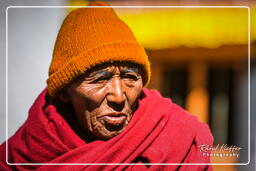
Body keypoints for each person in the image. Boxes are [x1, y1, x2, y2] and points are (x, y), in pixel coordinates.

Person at [0, 1, 213, 170]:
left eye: (130, 77)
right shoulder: (24, 152)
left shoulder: (174, 134)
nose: (119, 97)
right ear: (64, 91)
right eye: (100, 79)